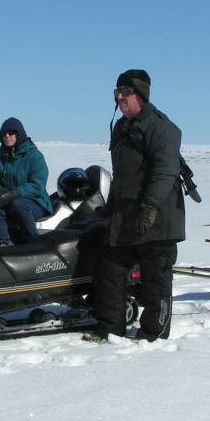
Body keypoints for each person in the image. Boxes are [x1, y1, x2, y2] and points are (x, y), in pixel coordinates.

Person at [85, 69, 186, 342]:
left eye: (125, 92)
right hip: (126, 215)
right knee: (109, 268)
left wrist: (150, 207)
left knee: (156, 278)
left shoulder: (162, 127)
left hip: (159, 217)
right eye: (116, 92)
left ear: (141, 94)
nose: (119, 97)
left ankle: (153, 333)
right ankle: (110, 328)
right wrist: (111, 208)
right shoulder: (122, 127)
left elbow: (165, 172)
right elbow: (124, 176)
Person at [0, 117, 53, 247]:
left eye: (11, 133)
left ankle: (34, 242)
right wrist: (0, 191)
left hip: (35, 202)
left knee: (18, 204)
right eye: (4, 134)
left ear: (19, 135)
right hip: (7, 200)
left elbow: (37, 184)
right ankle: (1, 244)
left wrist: (15, 193)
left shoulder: (34, 156)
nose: (7, 136)